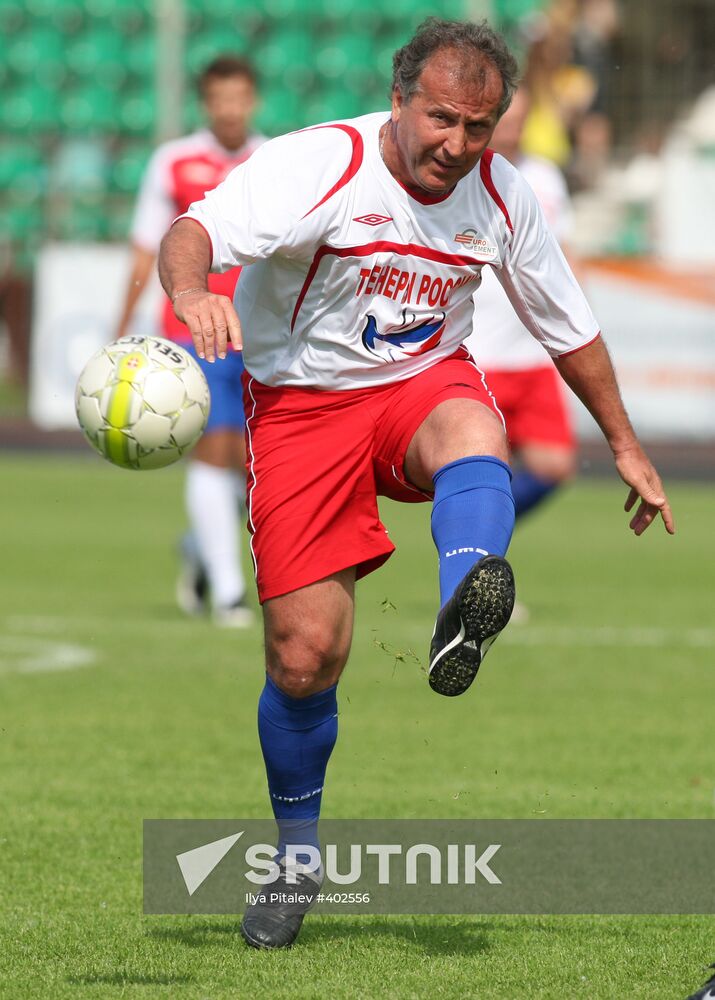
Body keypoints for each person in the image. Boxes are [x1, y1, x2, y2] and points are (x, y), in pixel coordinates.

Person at [158, 18, 674, 949]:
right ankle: (298, 858)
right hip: (303, 409)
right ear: (398, 102)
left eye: (479, 127)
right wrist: (195, 294)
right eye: (440, 120)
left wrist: (625, 443)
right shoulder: (321, 164)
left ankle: (458, 608)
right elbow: (192, 230)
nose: (457, 145)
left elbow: (567, 323)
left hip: (416, 385)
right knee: (303, 658)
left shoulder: (501, 193)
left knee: (476, 427)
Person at [116, 55, 265, 627]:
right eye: (220, 98)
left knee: (250, 467)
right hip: (192, 334)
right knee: (213, 451)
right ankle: (229, 594)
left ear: (252, 100)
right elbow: (145, 245)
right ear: (207, 103)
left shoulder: (270, 160)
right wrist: (124, 324)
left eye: (239, 97)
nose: (230, 108)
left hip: (258, 333)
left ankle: (202, 551)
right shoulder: (173, 160)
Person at [465, 86, 578, 540]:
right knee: (482, 472)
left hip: (531, 353)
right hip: (479, 351)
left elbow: (565, 251)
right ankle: (474, 555)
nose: (512, 126)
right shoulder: (463, 175)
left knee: (555, 463)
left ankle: (478, 537)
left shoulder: (545, 177)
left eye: (520, 118)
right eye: (505, 116)